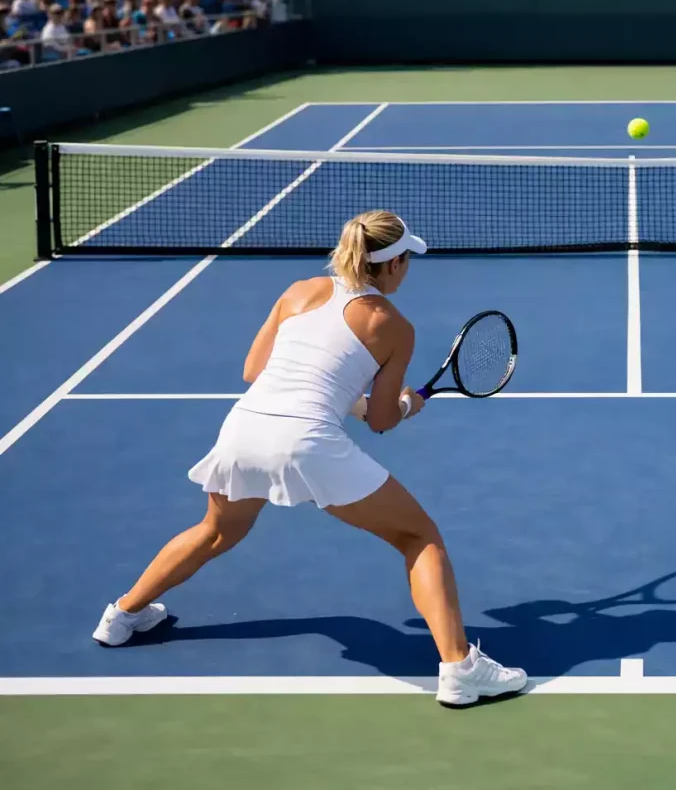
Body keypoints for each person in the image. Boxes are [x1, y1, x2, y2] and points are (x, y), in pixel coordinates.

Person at [91, 211, 528, 707]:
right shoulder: (392, 325)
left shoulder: (300, 291)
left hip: (243, 430)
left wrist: (354, 400)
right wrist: (408, 404)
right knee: (418, 536)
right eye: (407, 259)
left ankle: (122, 616)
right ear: (392, 264)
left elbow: (254, 369)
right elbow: (382, 420)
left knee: (215, 531)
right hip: (306, 442)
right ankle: (460, 669)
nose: (407, 269)